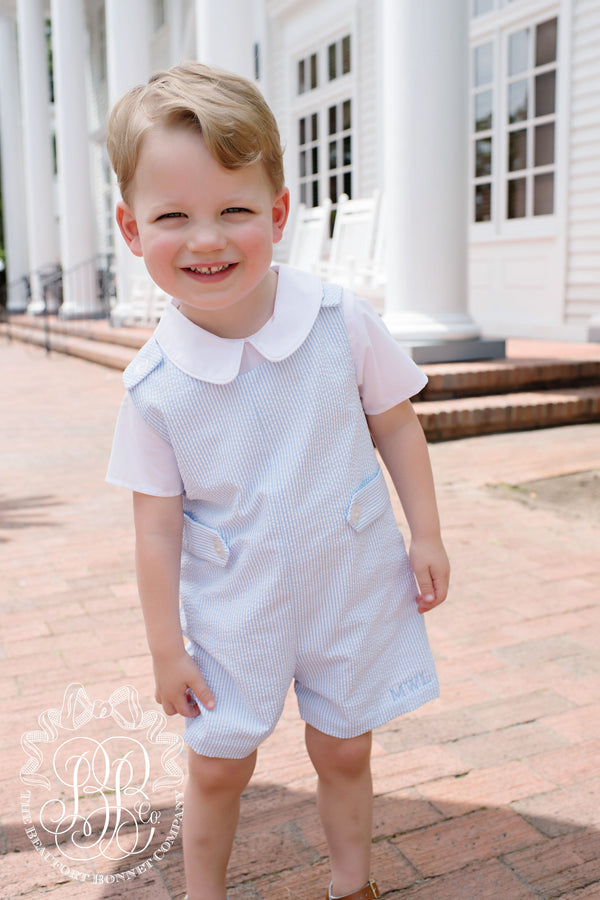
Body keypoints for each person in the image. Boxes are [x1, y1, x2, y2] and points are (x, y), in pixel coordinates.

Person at [106, 62, 449, 900]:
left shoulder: (339, 323)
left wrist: (428, 532)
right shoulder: (155, 388)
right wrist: (165, 649)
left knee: (344, 747)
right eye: (173, 216)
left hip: (349, 579)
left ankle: (351, 882)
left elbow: (396, 423)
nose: (208, 239)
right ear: (129, 226)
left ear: (279, 212)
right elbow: (154, 527)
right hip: (236, 607)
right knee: (220, 764)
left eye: (234, 210)